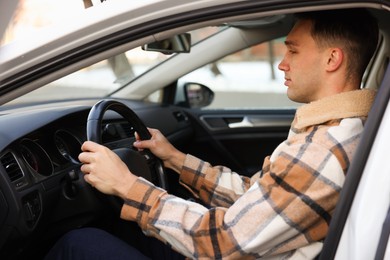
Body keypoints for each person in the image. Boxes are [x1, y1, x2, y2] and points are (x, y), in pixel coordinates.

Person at [45, 8, 379, 260]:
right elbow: (257, 197)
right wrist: (175, 159)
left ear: (332, 59)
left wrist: (126, 185)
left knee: (77, 244)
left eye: (292, 50)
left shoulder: (322, 149)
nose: (282, 63)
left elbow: (221, 241)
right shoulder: (336, 131)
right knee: (123, 227)